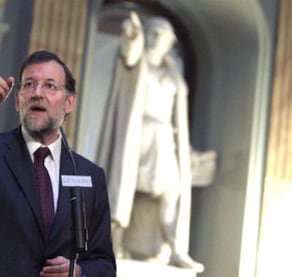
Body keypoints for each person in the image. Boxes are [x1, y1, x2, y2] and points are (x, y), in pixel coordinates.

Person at [0, 50, 116, 276]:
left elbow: (105, 265)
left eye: (50, 86)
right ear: (17, 100)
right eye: (29, 85)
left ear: (69, 102)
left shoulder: (90, 176)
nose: (37, 93)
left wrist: (80, 272)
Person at [97, 11, 203, 273]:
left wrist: (185, 150)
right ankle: (112, 244)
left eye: (162, 35)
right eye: (152, 33)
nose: (156, 39)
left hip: (164, 137)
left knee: (172, 189)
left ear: (170, 42)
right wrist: (132, 36)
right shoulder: (136, 63)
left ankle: (175, 246)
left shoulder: (173, 74)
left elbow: (178, 116)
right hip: (138, 133)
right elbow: (130, 54)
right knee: (125, 189)